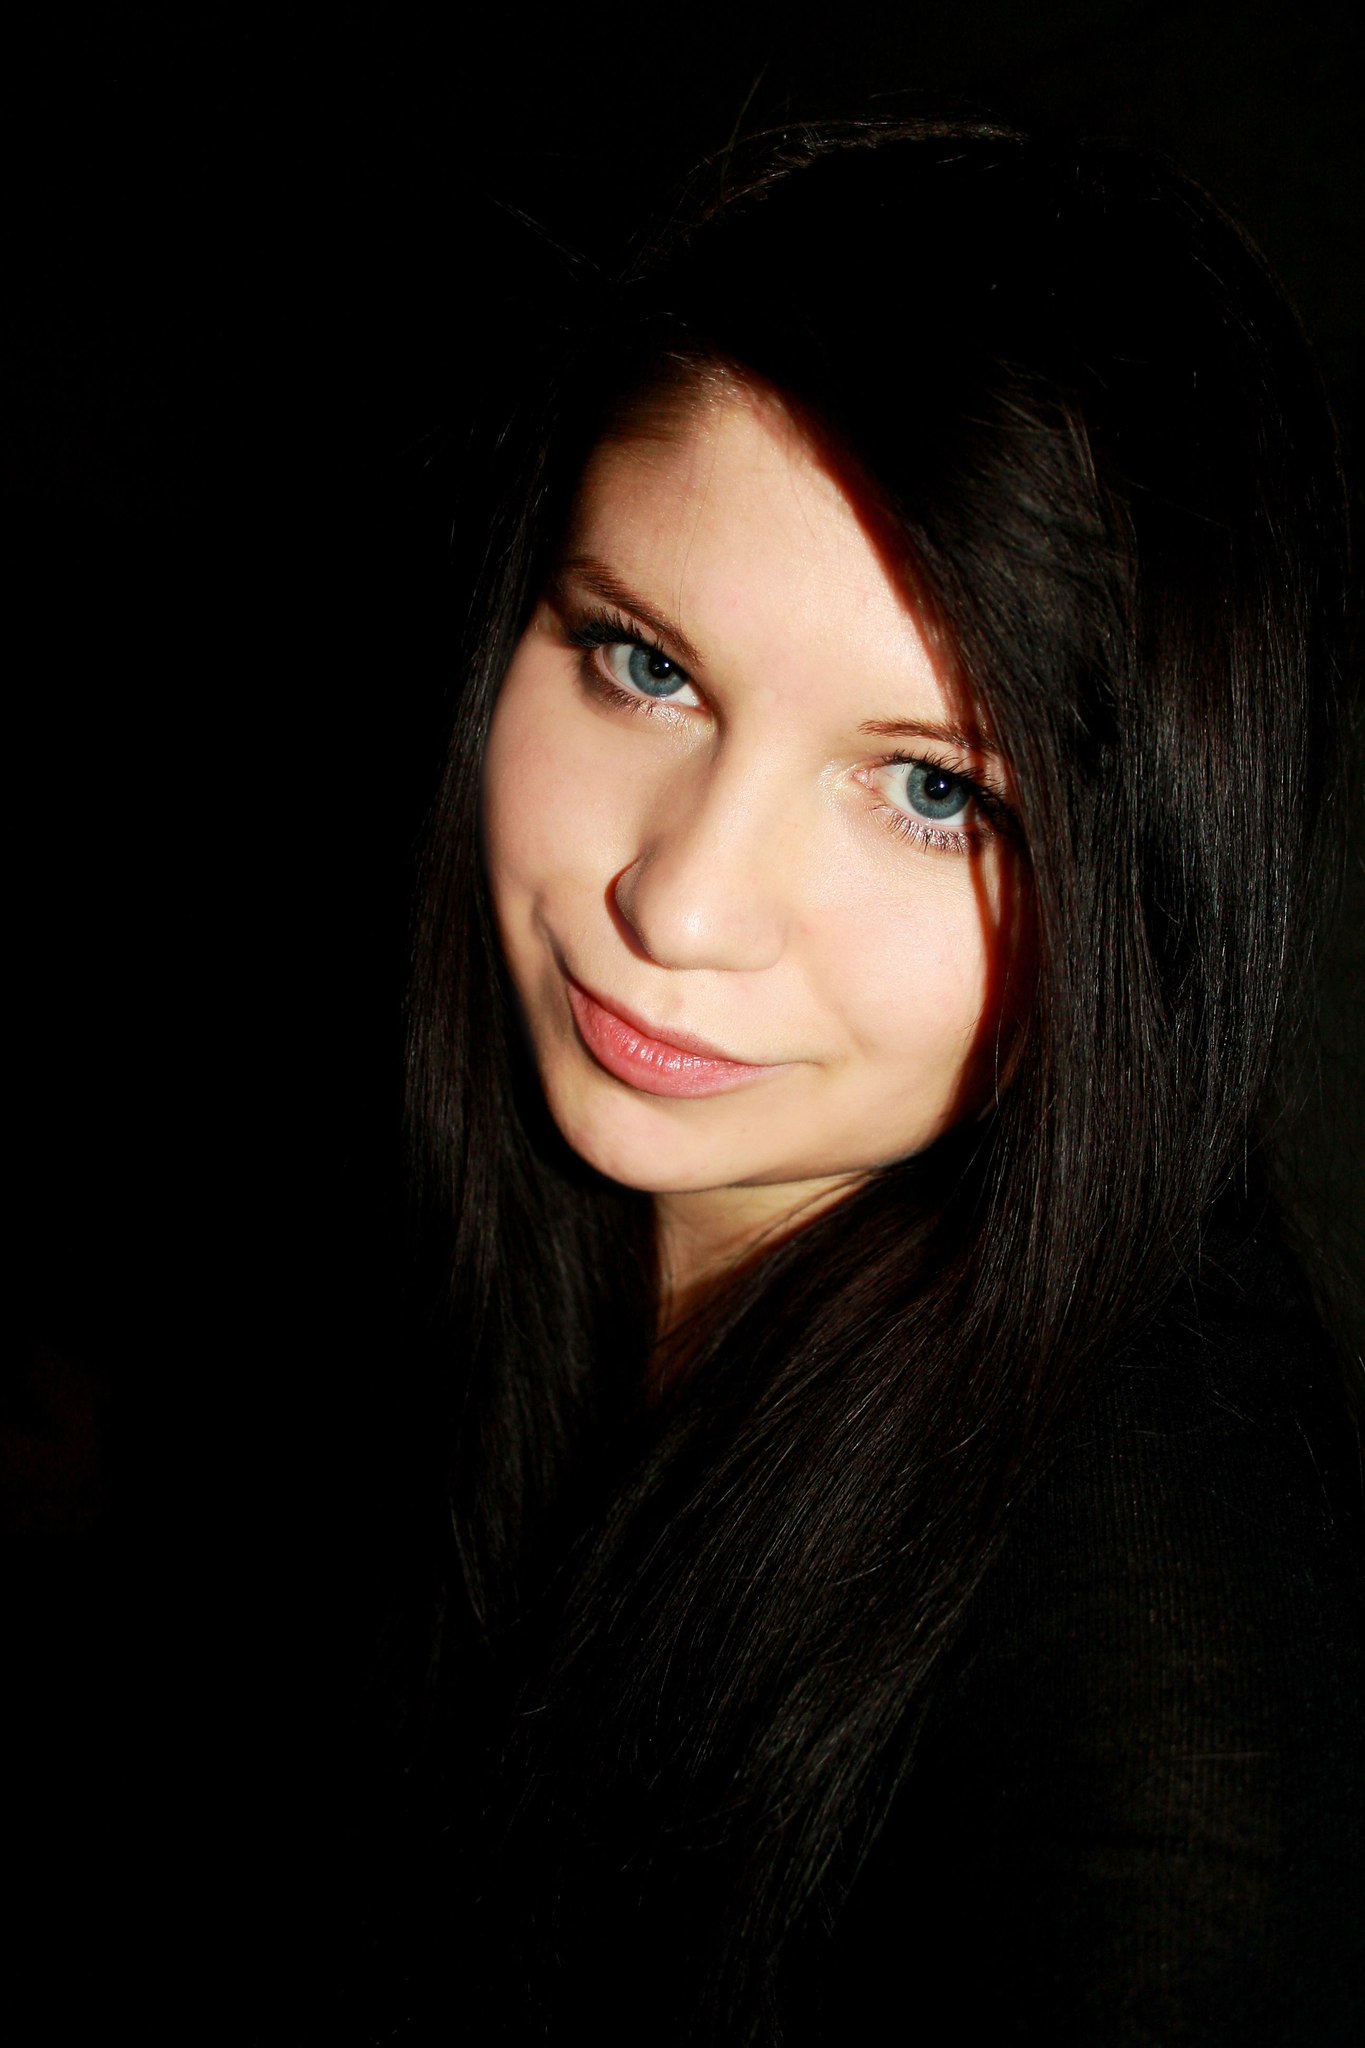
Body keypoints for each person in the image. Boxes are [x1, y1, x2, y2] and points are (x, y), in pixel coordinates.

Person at [380, 118, 1365, 2043]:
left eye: (929, 791)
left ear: (1147, 882)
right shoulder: (493, 1240)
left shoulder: (1152, 1699)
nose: (677, 902)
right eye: (642, 666)